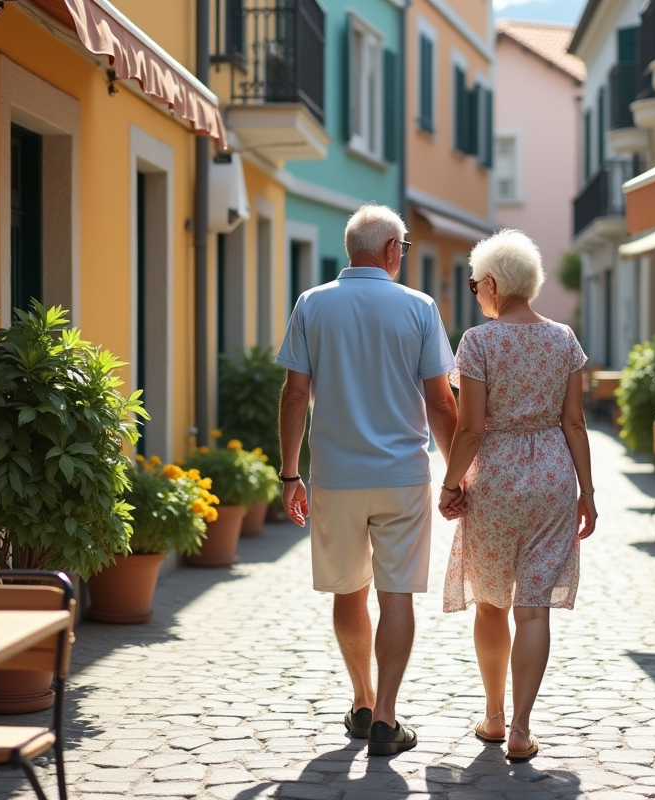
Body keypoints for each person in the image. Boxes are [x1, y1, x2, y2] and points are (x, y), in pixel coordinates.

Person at [275, 204, 459, 756]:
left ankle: (360, 700)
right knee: (395, 593)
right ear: (388, 251)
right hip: (402, 475)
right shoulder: (419, 307)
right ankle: (385, 718)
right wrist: (455, 474)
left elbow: (293, 395)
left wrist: (289, 474)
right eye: (401, 250)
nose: (401, 258)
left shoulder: (313, 303)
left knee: (348, 590)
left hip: (335, 476)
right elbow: (441, 403)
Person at [437, 229, 597, 762]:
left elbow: (470, 429)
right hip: (553, 476)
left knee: (490, 602)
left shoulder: (479, 342)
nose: (475, 292)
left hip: (497, 480)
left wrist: (450, 483)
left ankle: (494, 715)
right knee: (533, 610)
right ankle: (522, 730)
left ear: (492, 284)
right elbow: (575, 423)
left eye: (475, 283)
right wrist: (588, 493)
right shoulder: (565, 339)